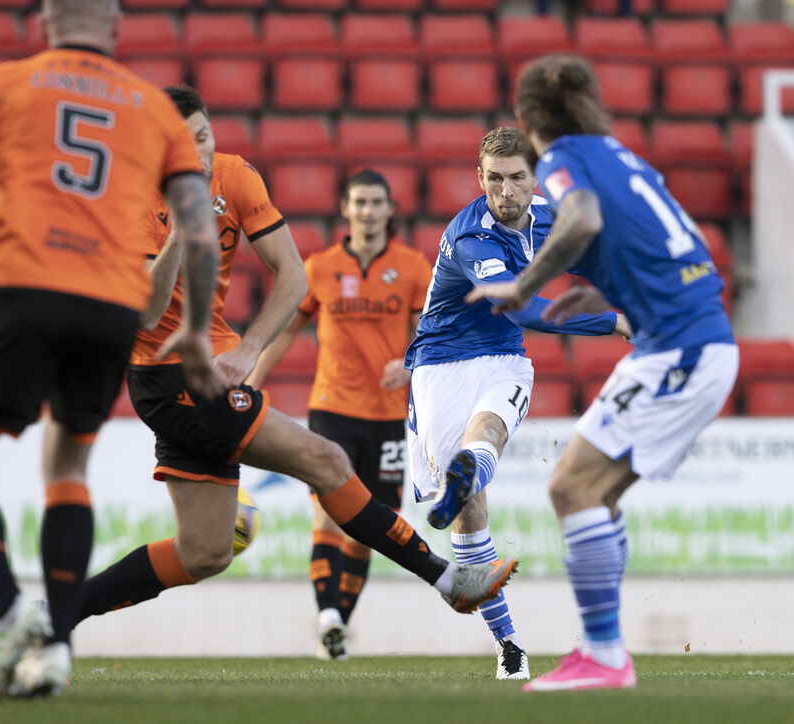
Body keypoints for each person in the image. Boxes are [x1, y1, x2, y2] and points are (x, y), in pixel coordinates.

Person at [76, 88, 518, 633]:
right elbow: (143, 315)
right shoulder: (131, 197)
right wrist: (179, 237)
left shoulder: (235, 177)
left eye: (203, 137)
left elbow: (293, 275)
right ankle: (449, 581)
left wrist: (248, 347)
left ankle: (56, 614)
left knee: (205, 552)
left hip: (215, 369)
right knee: (328, 462)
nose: (199, 153)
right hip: (167, 373)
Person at [0, 0, 222, 701]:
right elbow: (199, 227)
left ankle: (8, 610)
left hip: (23, 288)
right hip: (111, 306)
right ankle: (60, 645)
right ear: (115, 28)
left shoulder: (9, 82)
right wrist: (191, 331)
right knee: (68, 466)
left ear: (44, 21)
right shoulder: (154, 109)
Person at [466, 55, 738, 691]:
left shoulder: (563, 158)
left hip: (681, 346)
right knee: (594, 494)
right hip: (683, 334)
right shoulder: (617, 153)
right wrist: (612, 290)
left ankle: (605, 655)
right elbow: (655, 237)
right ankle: (601, 650)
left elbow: (584, 218)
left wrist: (522, 288)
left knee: (569, 488)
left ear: (528, 118)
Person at [406, 126, 629, 680]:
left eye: (517, 179)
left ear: (534, 179)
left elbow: (599, 247)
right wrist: (616, 320)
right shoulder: (470, 237)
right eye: (496, 179)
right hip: (439, 367)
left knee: (486, 435)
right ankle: (509, 643)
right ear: (479, 178)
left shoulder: (547, 214)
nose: (507, 191)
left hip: (502, 361)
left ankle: (470, 466)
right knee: (469, 510)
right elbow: (525, 309)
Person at [246, 170, 431, 660]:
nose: (368, 211)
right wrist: (251, 380)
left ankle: (336, 627)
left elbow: (428, 335)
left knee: (376, 524)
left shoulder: (414, 268)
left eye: (376, 203)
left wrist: (408, 360)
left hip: (390, 415)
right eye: (359, 203)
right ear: (345, 210)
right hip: (332, 409)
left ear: (391, 210)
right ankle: (328, 613)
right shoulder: (321, 267)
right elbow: (285, 330)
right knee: (329, 516)